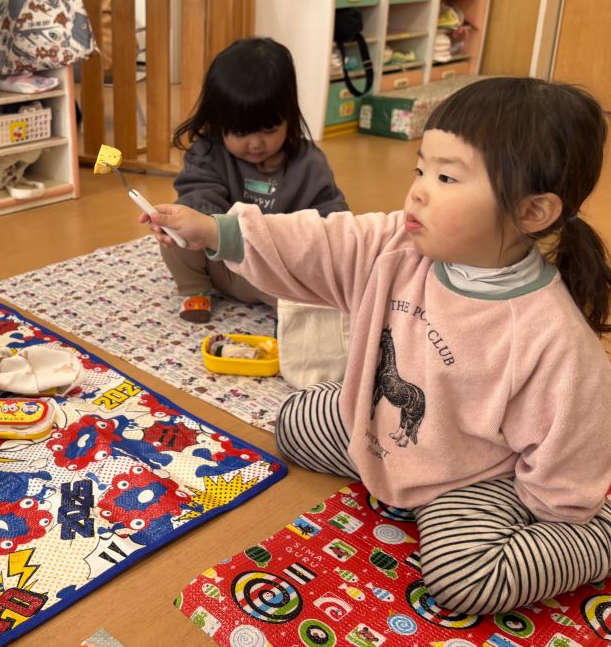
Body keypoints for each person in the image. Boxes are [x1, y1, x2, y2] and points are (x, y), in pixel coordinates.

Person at [144, 77, 611, 613]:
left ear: (532, 213)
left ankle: (602, 534)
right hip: (387, 429)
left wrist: (559, 511)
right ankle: (384, 448)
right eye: (420, 169)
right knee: (294, 423)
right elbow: (318, 242)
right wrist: (214, 231)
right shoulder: (398, 243)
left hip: (471, 472)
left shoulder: (550, 337)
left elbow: (569, 453)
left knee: (464, 580)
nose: (417, 190)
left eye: (446, 177)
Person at [165, 37, 348, 322]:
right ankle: (196, 290)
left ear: (289, 117)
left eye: (269, 129)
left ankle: (293, 309)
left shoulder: (309, 163)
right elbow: (198, 200)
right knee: (176, 234)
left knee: (316, 299)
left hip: (274, 274)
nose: (255, 144)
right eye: (240, 133)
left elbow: (333, 222)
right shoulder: (208, 153)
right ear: (219, 124)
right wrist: (192, 223)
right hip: (222, 263)